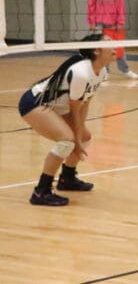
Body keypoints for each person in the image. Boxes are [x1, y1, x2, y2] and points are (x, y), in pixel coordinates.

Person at [19, 34, 114, 206]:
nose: (115, 45)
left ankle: (67, 179)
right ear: (96, 50)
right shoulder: (81, 72)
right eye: (108, 42)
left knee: (84, 138)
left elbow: (85, 104)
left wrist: (79, 136)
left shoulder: (102, 72)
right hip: (35, 103)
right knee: (67, 141)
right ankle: (41, 191)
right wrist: (74, 140)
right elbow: (75, 109)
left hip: (58, 107)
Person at [87, 0, 138, 80]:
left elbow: (121, 7)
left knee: (118, 48)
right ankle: (104, 72)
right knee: (101, 50)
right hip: (99, 24)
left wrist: (120, 22)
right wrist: (92, 22)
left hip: (112, 24)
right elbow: (91, 6)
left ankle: (125, 70)